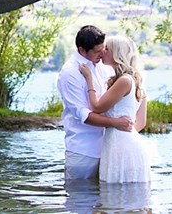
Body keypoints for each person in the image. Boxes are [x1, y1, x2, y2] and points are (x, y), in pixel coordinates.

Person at [57, 25, 133, 180]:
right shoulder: (70, 73)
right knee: (79, 200)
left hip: (108, 150)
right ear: (82, 50)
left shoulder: (103, 67)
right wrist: (115, 122)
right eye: (97, 51)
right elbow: (84, 115)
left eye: (103, 49)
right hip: (84, 150)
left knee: (106, 201)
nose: (102, 54)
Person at [79, 35, 151, 183]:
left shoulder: (124, 80)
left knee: (115, 195)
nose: (102, 51)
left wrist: (89, 79)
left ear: (117, 54)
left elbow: (96, 107)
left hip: (121, 146)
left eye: (106, 49)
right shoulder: (137, 81)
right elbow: (141, 123)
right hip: (130, 144)